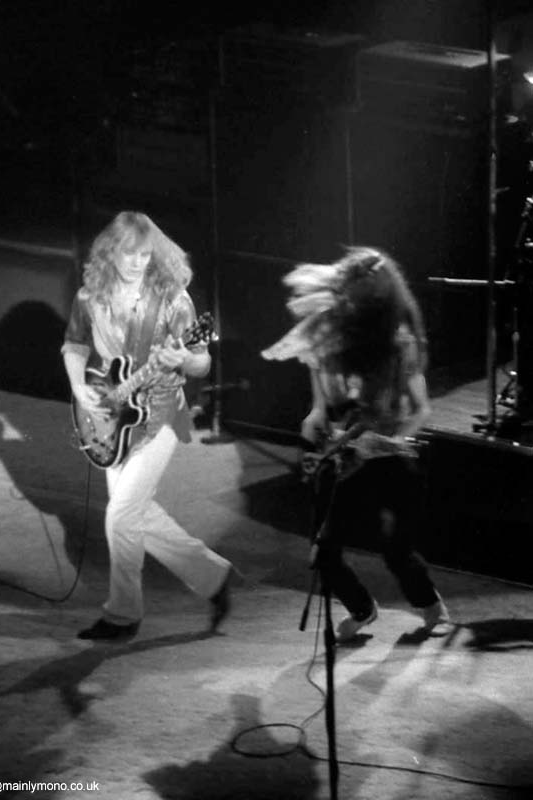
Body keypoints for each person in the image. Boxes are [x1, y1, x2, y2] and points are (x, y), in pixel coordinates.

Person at [262, 246, 452, 642]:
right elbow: (319, 403)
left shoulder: (399, 343)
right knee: (323, 553)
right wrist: (314, 432)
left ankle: (432, 608)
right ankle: (362, 609)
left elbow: (420, 409)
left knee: (396, 550)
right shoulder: (330, 338)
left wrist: (390, 441)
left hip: (390, 459)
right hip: (347, 458)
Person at [62, 211, 232, 640]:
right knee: (137, 514)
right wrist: (80, 388)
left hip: (160, 415)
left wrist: (185, 358)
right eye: (129, 254)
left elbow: (201, 363)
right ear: (110, 252)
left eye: (145, 255)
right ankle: (212, 576)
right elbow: (75, 345)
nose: (138, 263)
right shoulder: (90, 297)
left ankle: (122, 615)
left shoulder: (173, 300)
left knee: (121, 515)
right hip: (113, 414)